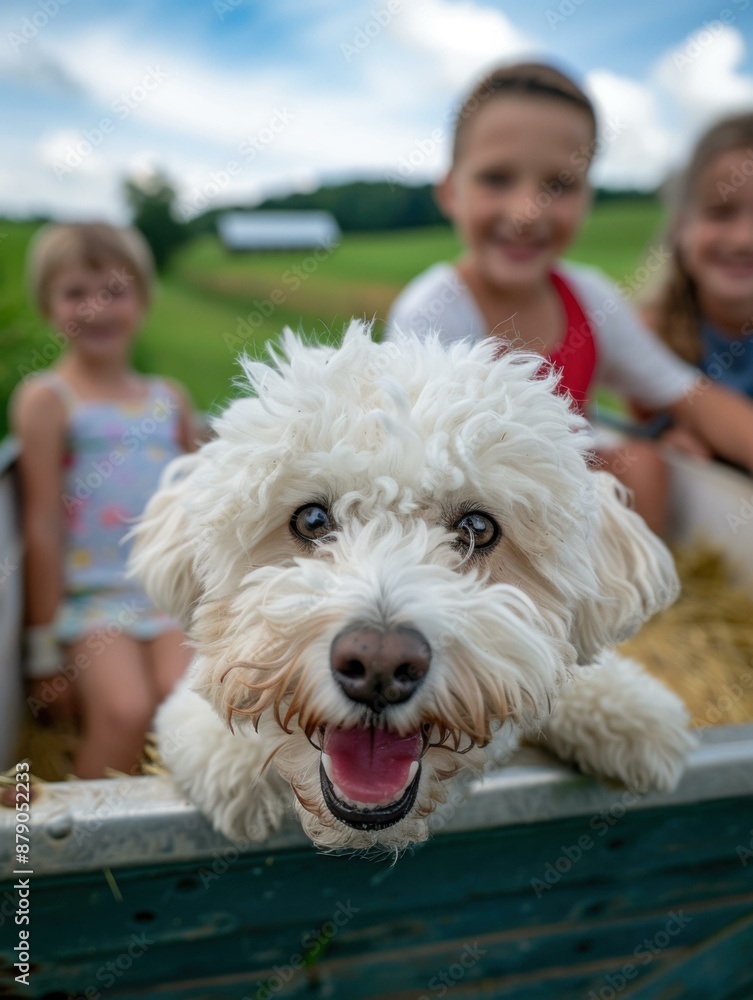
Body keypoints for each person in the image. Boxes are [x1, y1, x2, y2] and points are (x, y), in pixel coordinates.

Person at [387, 63, 753, 533]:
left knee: (640, 466)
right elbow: (422, 474)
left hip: (567, 515)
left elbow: (689, 394)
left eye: (559, 185)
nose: (525, 212)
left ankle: (638, 604)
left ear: (587, 198)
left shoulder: (589, 297)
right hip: (472, 527)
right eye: (497, 178)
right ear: (450, 192)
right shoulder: (433, 312)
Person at [11, 222, 195, 778]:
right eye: (75, 293)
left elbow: (200, 508)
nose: (97, 308)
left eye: (114, 291)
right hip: (92, 601)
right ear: (48, 303)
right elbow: (41, 526)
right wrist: (43, 653)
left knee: (187, 701)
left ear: (141, 299)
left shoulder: (170, 400)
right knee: (124, 710)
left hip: (163, 592)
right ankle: (83, 858)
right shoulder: (48, 399)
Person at [639, 112, 753, 460]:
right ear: (680, 229)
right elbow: (649, 430)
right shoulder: (652, 333)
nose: (743, 239)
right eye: (720, 213)